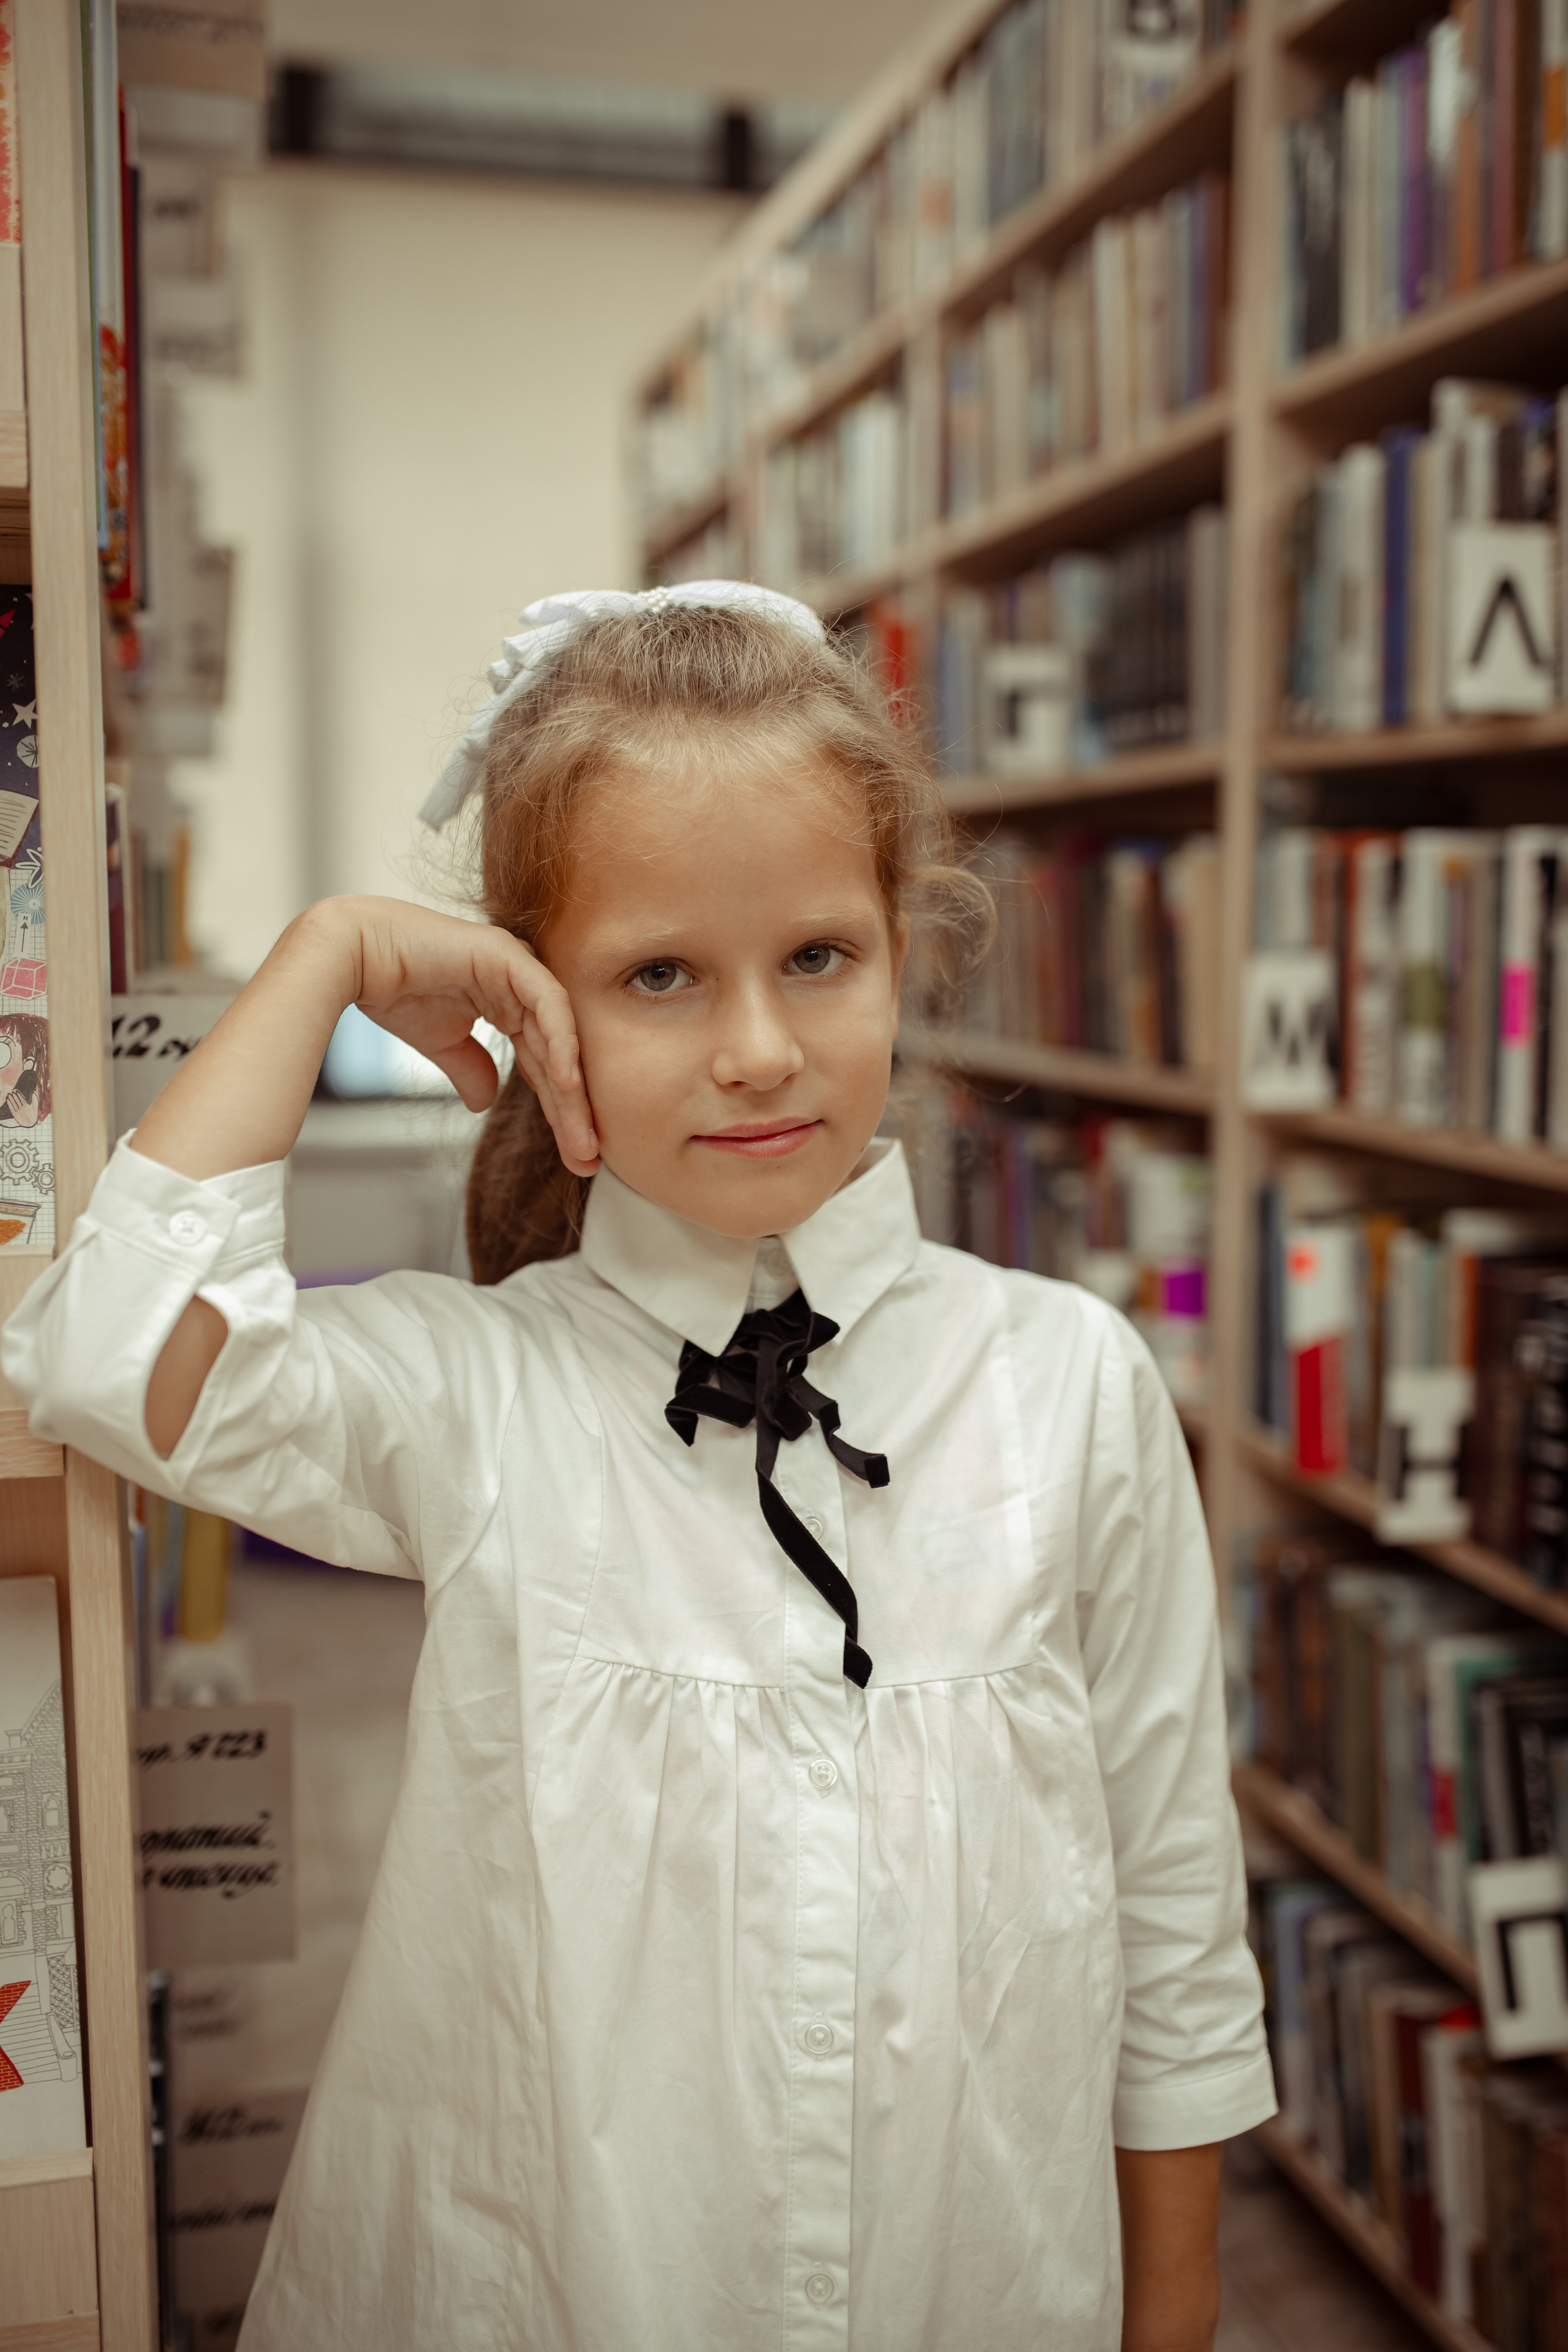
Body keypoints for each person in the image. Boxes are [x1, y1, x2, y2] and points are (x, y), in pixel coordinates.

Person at [3, 584, 1275, 2352]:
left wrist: (1180, 2313)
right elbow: (100, 1362)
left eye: (817, 958)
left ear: (906, 949)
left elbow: (1173, 1913)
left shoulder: (1070, 1383)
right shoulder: (484, 1390)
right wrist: (328, 969)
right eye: (659, 974)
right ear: (539, 1003)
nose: (757, 1046)